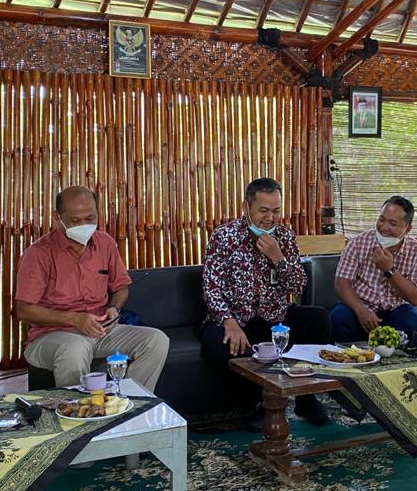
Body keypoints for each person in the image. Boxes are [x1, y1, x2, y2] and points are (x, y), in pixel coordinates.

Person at [200, 177, 331, 427]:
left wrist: (278, 257)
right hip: (238, 320)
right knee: (214, 345)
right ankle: (260, 401)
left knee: (318, 318)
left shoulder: (284, 237)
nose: (270, 218)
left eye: (276, 211)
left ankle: (306, 397)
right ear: (246, 207)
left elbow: (298, 285)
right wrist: (228, 321)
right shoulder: (224, 236)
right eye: (263, 211)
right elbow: (211, 286)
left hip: (276, 321)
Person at [17, 186, 168, 390]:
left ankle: (128, 404)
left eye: (90, 218)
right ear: (57, 217)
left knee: (156, 341)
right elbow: (24, 310)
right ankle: (82, 416)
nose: (85, 225)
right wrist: (74, 319)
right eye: (75, 221)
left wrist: (114, 308)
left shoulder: (105, 243)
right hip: (52, 335)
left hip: (100, 331)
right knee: (74, 348)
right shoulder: (38, 253)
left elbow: (121, 287)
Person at [330, 196, 417, 342]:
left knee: (414, 323)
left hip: (397, 309)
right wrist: (361, 310)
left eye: (392, 223)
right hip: (360, 304)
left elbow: (416, 298)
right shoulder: (358, 242)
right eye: (381, 220)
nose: (384, 228)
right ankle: (346, 361)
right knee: (339, 317)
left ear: (407, 229)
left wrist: (389, 270)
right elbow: (341, 283)